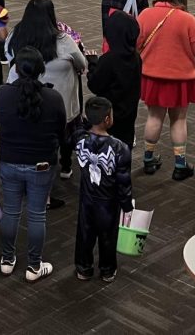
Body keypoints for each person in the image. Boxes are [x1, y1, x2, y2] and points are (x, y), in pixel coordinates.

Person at [0, 47, 67, 282]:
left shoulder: (2, 94)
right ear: (41, 70)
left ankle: (7, 259)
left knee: (11, 211)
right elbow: (60, 129)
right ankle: (34, 266)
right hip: (42, 164)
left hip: (10, 160)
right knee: (36, 215)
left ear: (14, 67)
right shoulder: (53, 97)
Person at [5, 0, 86, 185]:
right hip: (62, 100)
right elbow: (82, 63)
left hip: (24, 97)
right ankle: (65, 165)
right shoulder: (64, 40)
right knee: (64, 131)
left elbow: (8, 56)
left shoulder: (15, 35)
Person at [137, 0, 195, 180]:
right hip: (180, 79)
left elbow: (136, 42)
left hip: (151, 76)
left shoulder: (145, 14)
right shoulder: (187, 19)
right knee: (179, 119)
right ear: (181, 0)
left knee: (154, 117)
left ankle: (149, 160)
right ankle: (179, 164)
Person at [73, 96, 134, 283]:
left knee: (85, 234)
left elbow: (72, 135)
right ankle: (107, 270)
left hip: (87, 198)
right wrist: (127, 204)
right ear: (108, 119)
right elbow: (123, 181)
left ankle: (84, 268)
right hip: (108, 201)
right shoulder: (120, 148)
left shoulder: (80, 140)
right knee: (108, 236)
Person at [85, 10, 141, 148]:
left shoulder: (108, 60)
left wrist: (93, 64)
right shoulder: (136, 57)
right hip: (129, 111)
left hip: (109, 116)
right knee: (124, 147)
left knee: (108, 150)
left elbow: (95, 84)